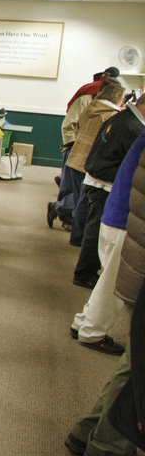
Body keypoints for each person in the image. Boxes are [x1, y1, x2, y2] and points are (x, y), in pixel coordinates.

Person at [64, 143, 145, 456]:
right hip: (131, 240)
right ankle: (108, 446)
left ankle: (92, 432)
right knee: (137, 364)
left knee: (134, 363)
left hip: (127, 233)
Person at [71, 127, 145, 356]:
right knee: (116, 284)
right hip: (126, 221)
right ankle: (91, 332)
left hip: (116, 214)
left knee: (108, 278)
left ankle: (83, 321)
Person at [72, 93, 145, 301]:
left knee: (93, 228)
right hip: (105, 185)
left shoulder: (120, 118)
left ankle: (85, 270)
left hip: (97, 178)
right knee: (95, 231)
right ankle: (84, 273)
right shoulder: (134, 129)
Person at [65, 79, 124, 277]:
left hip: (76, 156)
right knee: (85, 203)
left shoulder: (90, 107)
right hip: (90, 161)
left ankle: (76, 234)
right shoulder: (112, 115)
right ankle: (79, 234)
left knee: (80, 199)